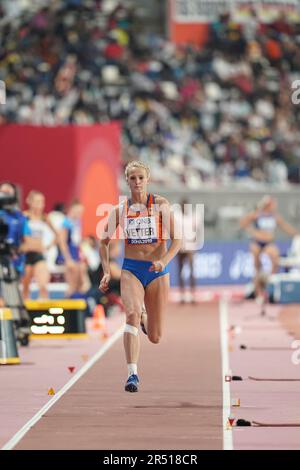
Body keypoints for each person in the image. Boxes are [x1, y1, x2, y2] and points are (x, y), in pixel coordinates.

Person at [99, 161, 181, 393]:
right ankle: (132, 374)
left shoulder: (161, 205)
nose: (136, 182)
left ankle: (146, 321)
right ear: (127, 181)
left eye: (140, 178)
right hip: (131, 269)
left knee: (155, 336)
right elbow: (103, 242)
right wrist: (107, 270)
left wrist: (163, 261)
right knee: (131, 314)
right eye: (132, 178)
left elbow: (177, 240)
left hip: (156, 272)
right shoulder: (121, 210)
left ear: (148, 180)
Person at [240, 195, 298, 303]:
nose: (275, 206)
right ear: (267, 205)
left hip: (268, 243)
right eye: (273, 204)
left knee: (275, 260)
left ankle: (268, 284)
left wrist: (296, 233)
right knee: (257, 267)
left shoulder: (274, 216)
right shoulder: (257, 214)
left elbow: (285, 227)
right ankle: (258, 292)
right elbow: (243, 223)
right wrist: (254, 232)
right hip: (257, 242)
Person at [22, 190, 57, 299]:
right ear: (30, 202)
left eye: (42, 202)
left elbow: (58, 234)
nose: (40, 205)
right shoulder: (24, 217)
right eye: (37, 202)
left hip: (39, 255)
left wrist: (48, 246)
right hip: (26, 256)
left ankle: (44, 311)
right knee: (25, 287)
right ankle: (25, 313)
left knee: (43, 286)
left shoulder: (44, 218)